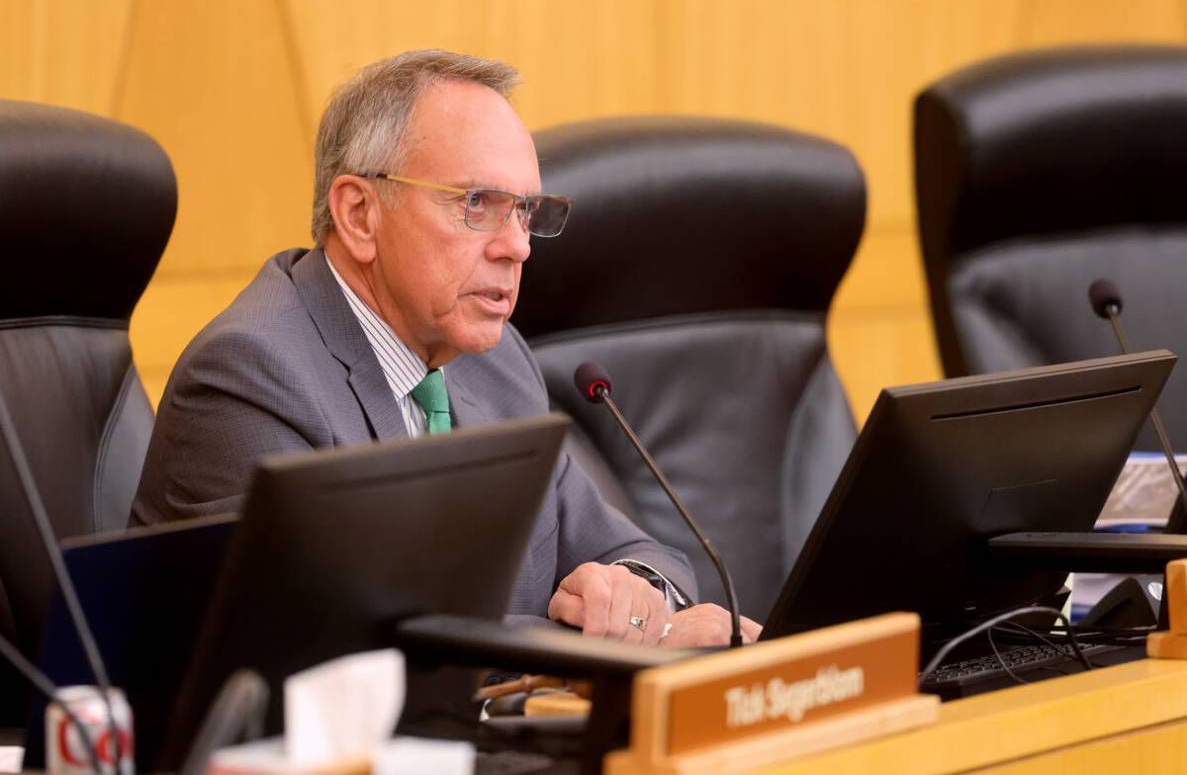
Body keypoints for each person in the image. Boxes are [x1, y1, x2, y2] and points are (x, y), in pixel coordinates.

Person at [132, 49, 761, 646]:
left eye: (526, 211)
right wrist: (611, 636)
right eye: (478, 204)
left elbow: (644, 556)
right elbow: (348, 649)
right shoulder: (252, 376)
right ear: (358, 214)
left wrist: (640, 598)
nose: (518, 246)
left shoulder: (496, 361)